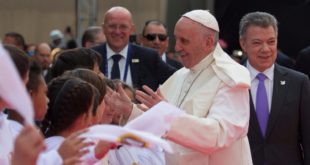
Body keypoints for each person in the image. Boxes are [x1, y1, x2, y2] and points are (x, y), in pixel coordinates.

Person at [107, 9, 253, 165]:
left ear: (209, 42)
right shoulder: (180, 76)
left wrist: (168, 115)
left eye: (184, 41)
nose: (176, 47)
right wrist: (130, 109)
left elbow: (217, 135)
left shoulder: (231, 77)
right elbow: (157, 122)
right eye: (176, 40)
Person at [239, 11, 310, 165]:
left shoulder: (299, 83)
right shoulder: (230, 82)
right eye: (257, 42)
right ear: (243, 44)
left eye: (271, 42)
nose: (266, 49)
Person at [92, 6, 176, 91]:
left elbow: (176, 80)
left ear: (132, 29)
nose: (117, 31)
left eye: (123, 27)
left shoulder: (148, 57)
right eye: (112, 26)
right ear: (103, 28)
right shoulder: (91, 56)